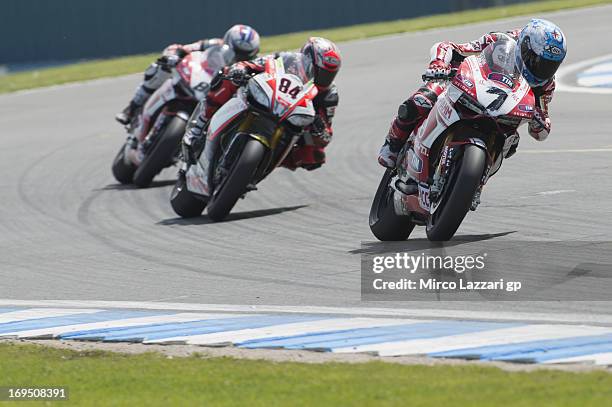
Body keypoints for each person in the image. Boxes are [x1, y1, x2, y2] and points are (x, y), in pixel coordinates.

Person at [378, 18, 567, 168]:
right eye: (537, 60)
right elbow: (449, 47)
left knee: (512, 142)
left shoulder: (546, 85)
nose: (542, 68)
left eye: (550, 65)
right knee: (425, 97)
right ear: (525, 46)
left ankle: (476, 181)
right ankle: (393, 144)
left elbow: (540, 130)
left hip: (501, 115)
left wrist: (539, 122)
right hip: (469, 87)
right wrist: (439, 65)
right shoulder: (499, 41)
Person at [182, 37, 341, 196]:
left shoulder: (328, 95)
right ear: (307, 59)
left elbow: (326, 135)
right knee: (226, 77)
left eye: (329, 74)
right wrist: (240, 68)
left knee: (315, 156)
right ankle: (198, 126)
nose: (324, 77)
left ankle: (256, 168)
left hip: (292, 122)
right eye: (321, 71)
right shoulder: (285, 60)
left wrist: (320, 129)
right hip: (267, 99)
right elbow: (256, 64)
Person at [115, 24, 261, 125]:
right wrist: (174, 55)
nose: (237, 57)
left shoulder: (250, 67)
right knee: (160, 68)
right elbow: (186, 48)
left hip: (214, 94)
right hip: (197, 76)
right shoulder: (214, 43)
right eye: (236, 52)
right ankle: (132, 107)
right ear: (227, 41)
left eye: (243, 56)